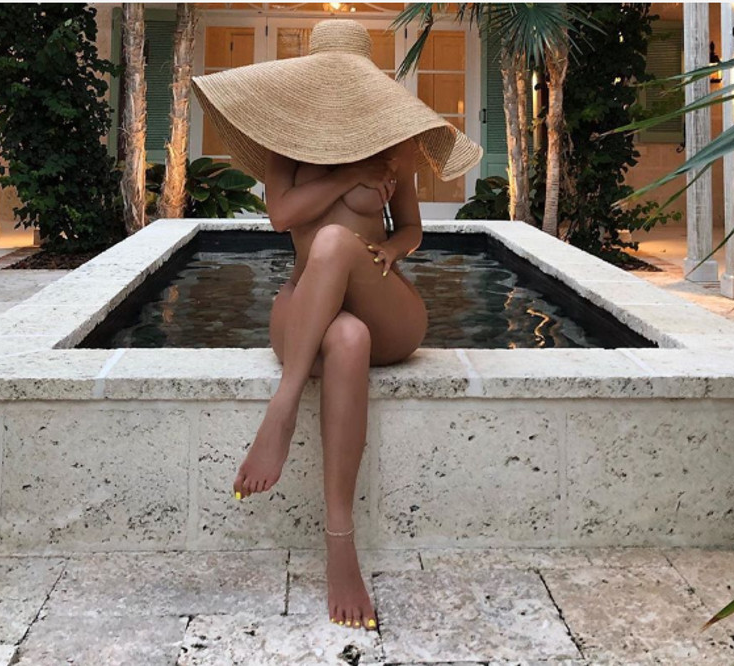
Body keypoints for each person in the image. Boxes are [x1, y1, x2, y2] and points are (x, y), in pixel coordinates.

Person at [191, 18, 482, 632]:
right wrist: (349, 178)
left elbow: (411, 228)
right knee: (347, 338)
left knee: (332, 243)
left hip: (384, 299)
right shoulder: (286, 142)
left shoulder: (395, 146)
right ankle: (340, 545)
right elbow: (280, 216)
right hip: (307, 306)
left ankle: (283, 406)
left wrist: (393, 251)